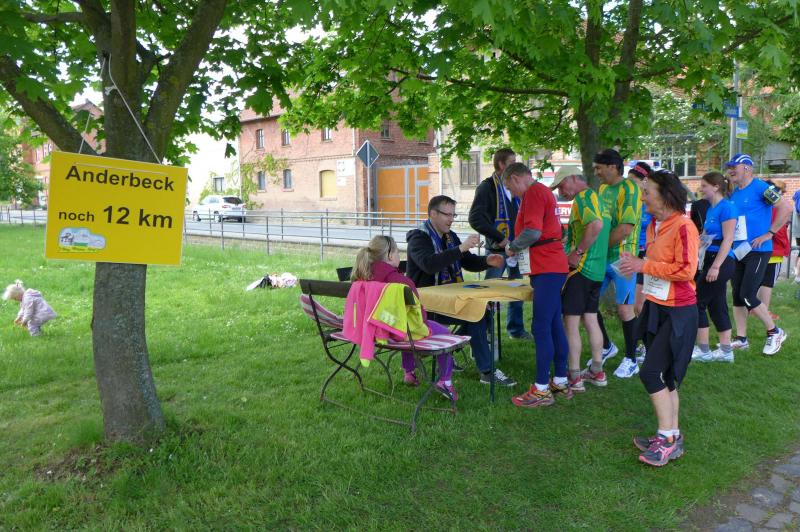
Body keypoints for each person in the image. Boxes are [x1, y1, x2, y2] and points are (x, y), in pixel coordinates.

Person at [618, 169, 699, 467]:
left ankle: (666, 439)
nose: (642, 198)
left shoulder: (684, 226)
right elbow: (653, 263)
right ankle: (672, 435)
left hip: (679, 311)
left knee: (651, 373)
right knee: (664, 375)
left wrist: (644, 266)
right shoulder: (654, 224)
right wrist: (638, 269)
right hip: (656, 306)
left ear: (665, 196)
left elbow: (687, 270)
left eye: (647, 192)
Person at [406, 195, 516, 386]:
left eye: (453, 215)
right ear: (433, 214)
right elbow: (429, 265)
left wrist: (486, 261)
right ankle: (487, 371)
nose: (451, 219)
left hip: (447, 298)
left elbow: (467, 261)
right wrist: (460, 248)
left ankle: (447, 351)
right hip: (424, 304)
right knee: (476, 315)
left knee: (483, 312)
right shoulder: (419, 237)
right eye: (447, 214)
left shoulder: (450, 236)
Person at [351, 235, 458, 399]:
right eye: (397, 252)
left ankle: (409, 373)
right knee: (445, 334)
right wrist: (425, 324)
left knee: (403, 325)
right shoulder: (401, 281)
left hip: (375, 331)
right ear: (389, 255)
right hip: (398, 333)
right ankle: (445, 380)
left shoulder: (363, 277)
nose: (399, 256)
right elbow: (418, 316)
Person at [502, 163, 571, 408]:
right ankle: (560, 380)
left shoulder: (533, 193)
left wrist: (512, 247)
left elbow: (532, 232)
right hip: (551, 266)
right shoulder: (543, 192)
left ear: (516, 178)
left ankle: (541, 389)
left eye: (509, 186)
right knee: (553, 325)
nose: (511, 192)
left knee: (541, 327)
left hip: (547, 267)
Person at [550, 166, 611, 393]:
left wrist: (577, 252)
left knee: (571, 323)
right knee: (591, 319)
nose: (561, 192)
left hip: (580, 271)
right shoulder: (598, 199)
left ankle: (574, 376)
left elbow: (596, 225)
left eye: (562, 185)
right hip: (597, 270)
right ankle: (597, 370)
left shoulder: (584, 197)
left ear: (574, 178)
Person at [726, 154, 792, 355]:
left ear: (747, 168)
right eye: (729, 167)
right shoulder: (736, 192)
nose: (730, 170)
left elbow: (785, 207)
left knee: (747, 294)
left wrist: (770, 233)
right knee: (737, 295)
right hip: (739, 251)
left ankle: (774, 332)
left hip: (758, 250)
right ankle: (741, 339)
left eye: (734, 167)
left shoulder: (761, 188)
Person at [468, 148, 532, 340]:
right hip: (498, 250)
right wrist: (500, 238)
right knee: (489, 291)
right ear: (502, 164)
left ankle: (516, 330)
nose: (515, 164)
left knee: (517, 290)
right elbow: (475, 218)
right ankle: (485, 330)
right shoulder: (487, 187)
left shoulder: (517, 185)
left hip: (517, 248)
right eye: (512, 162)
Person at [593, 149, 642, 378]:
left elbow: (625, 229)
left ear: (612, 167)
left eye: (599, 168)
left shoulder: (630, 188)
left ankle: (631, 359)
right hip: (601, 257)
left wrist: (598, 248)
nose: (596, 173)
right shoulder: (602, 189)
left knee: (624, 309)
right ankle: (606, 346)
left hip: (623, 258)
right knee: (588, 304)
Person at [690, 172, 739, 363]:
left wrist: (716, 266)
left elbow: (728, 239)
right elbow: (706, 235)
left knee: (697, 302)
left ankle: (703, 350)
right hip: (709, 258)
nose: (701, 189)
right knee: (717, 304)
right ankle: (726, 351)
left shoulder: (727, 207)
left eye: (704, 186)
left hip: (721, 261)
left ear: (716, 187)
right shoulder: (711, 208)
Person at [755, 180, 790, 321]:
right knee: (767, 282)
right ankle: (764, 311)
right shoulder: (776, 208)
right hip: (773, 251)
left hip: (761, 250)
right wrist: (785, 248)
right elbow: (779, 233)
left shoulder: (759, 206)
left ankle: (756, 309)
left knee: (759, 281)